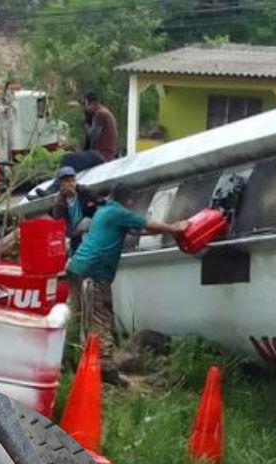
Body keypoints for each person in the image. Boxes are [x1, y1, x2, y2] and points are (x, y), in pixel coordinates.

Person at [65, 183, 188, 384]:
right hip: (94, 271)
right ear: (129, 201)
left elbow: (137, 231)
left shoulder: (104, 211)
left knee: (76, 315)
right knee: (101, 317)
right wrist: (175, 227)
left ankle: (67, 359)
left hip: (76, 266)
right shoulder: (118, 212)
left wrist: (164, 230)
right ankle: (105, 371)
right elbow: (146, 224)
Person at [50, 165, 99, 256]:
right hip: (74, 234)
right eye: (67, 182)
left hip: (91, 229)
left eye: (72, 180)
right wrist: (76, 233)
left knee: (86, 221)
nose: (70, 184)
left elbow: (99, 202)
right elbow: (62, 227)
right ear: (61, 184)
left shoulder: (84, 192)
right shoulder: (59, 205)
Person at [82, 91, 118, 163]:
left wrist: (86, 124)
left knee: (69, 158)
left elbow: (92, 136)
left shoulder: (100, 114)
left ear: (89, 103)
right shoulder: (106, 112)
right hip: (108, 154)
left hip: (102, 155)